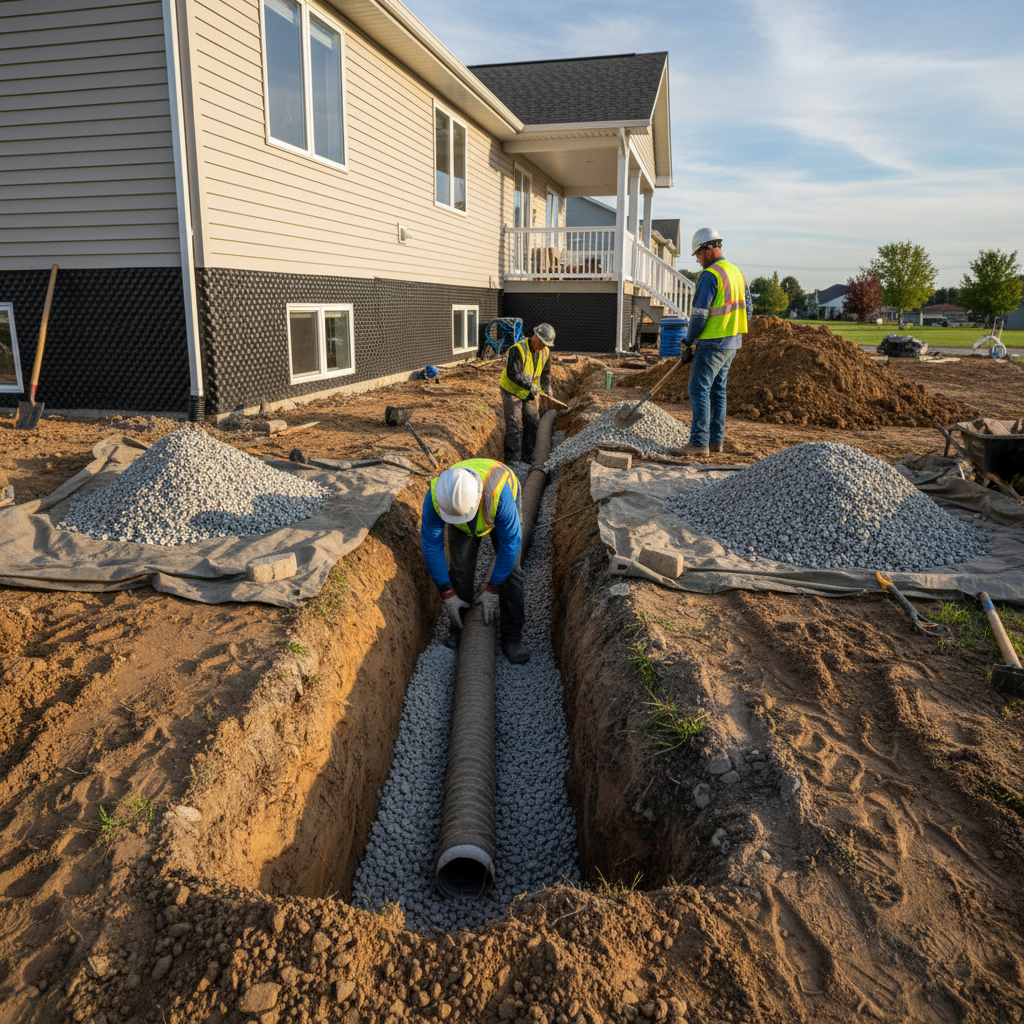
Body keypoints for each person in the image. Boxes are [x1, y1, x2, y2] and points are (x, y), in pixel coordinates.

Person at [420, 459, 530, 665]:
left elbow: (510, 545)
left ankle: (513, 637)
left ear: (478, 500)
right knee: (460, 570)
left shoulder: (500, 496)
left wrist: (493, 590)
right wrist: (447, 593)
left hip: (497, 500)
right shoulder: (438, 496)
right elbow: (432, 546)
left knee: (513, 574)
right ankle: (458, 629)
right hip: (461, 507)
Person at [679, 228, 752, 456]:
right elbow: (748, 309)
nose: (698, 261)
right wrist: (732, 328)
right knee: (717, 391)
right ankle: (714, 443)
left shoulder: (710, 275)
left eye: (698, 255)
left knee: (699, 388)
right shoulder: (736, 273)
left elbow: (699, 314)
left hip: (712, 342)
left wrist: (689, 341)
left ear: (708, 249)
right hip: (732, 342)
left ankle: (699, 443)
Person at [498, 323, 555, 466]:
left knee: (533, 423)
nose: (543, 347)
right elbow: (513, 374)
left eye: (546, 345)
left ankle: (528, 458)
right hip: (512, 390)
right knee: (515, 425)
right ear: (535, 337)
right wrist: (530, 385)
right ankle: (513, 460)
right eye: (542, 344)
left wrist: (547, 389)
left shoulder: (545, 352)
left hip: (530, 392)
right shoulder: (517, 349)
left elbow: (545, 374)